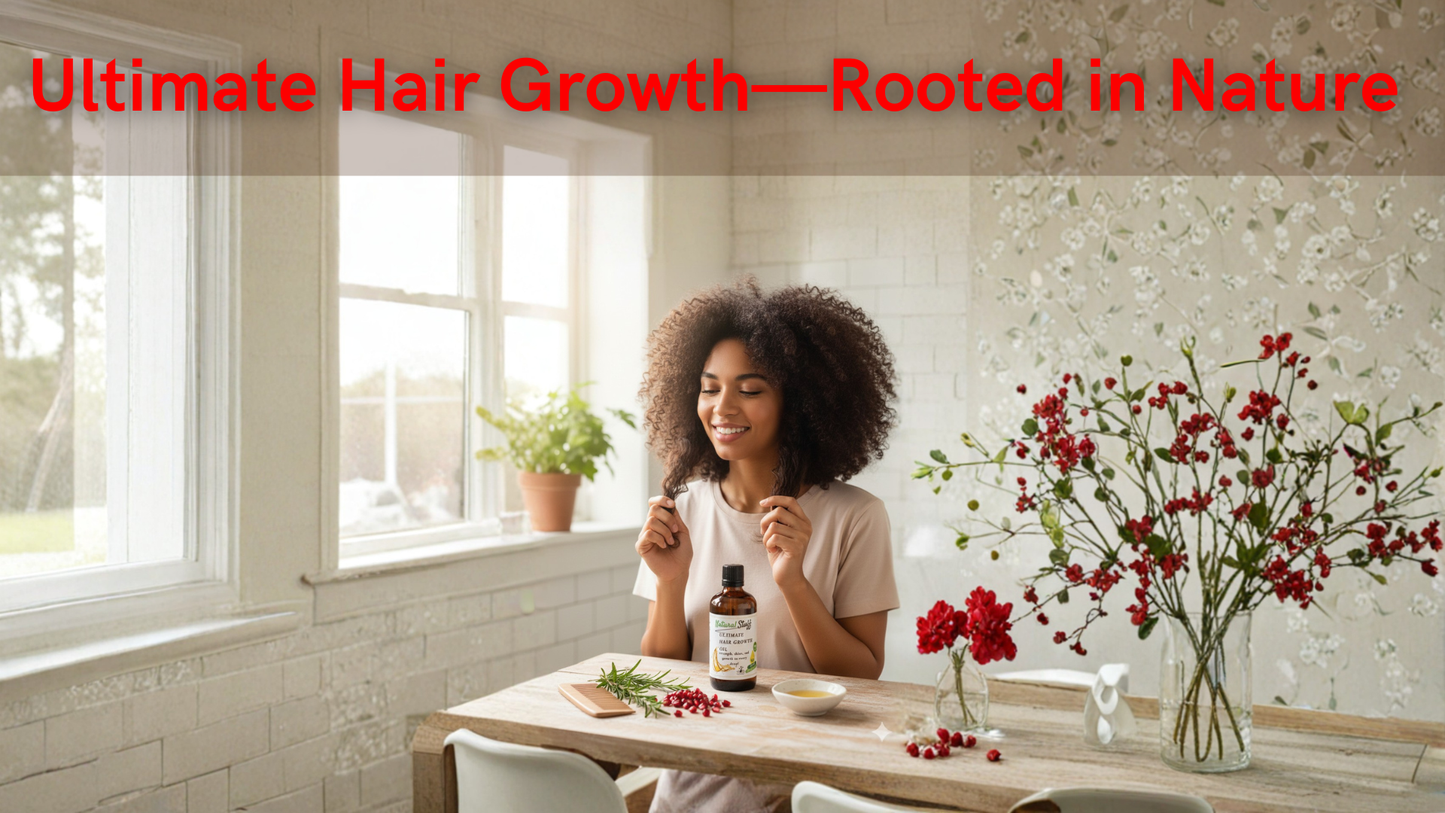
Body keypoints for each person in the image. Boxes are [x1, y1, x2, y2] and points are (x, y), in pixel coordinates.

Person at [632, 279, 900, 813]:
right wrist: (670, 579)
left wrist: (792, 580)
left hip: (810, 786)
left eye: (749, 390)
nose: (722, 407)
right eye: (710, 388)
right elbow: (661, 673)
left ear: (798, 405)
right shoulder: (680, 508)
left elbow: (862, 675)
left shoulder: (856, 516)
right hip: (694, 779)